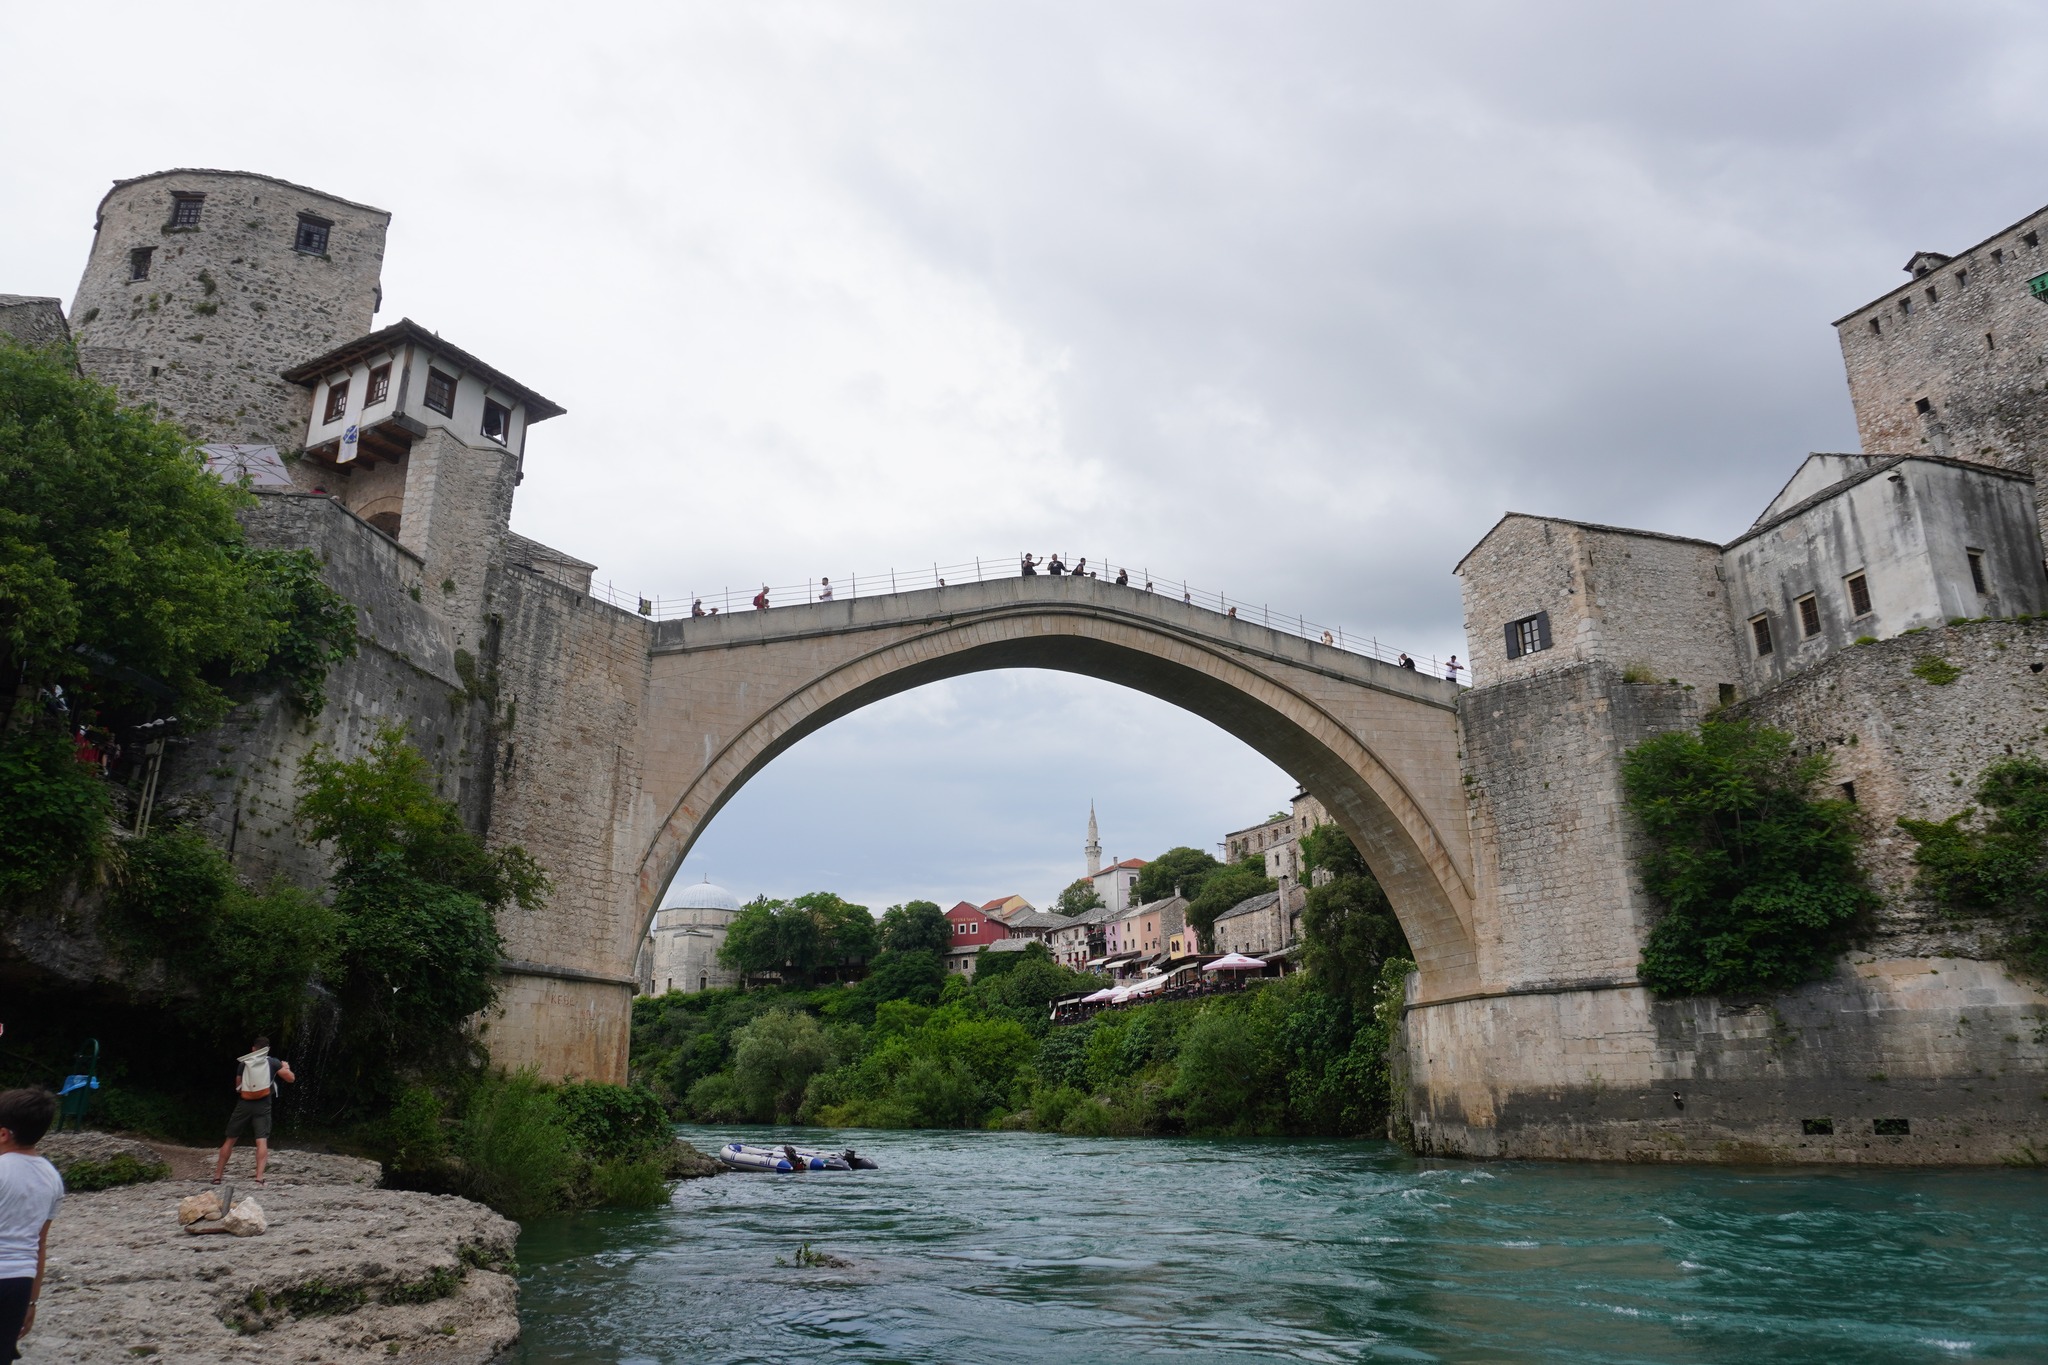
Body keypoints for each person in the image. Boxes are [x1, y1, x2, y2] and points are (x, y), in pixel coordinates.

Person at [0, 1088, 60, 1365]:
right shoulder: (52, 1177)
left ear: (3, 1134)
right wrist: (32, 1302)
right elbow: (40, 1242)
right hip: (19, 1283)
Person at [213, 1037, 295, 1186]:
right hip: (263, 1104)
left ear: (253, 1049)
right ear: (267, 1049)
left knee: (230, 1139)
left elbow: (238, 1087)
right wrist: (286, 1067)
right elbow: (291, 1079)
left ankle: (217, 1176)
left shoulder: (244, 1063)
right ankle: (259, 1178)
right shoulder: (273, 1062)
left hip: (244, 1103)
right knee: (261, 1140)